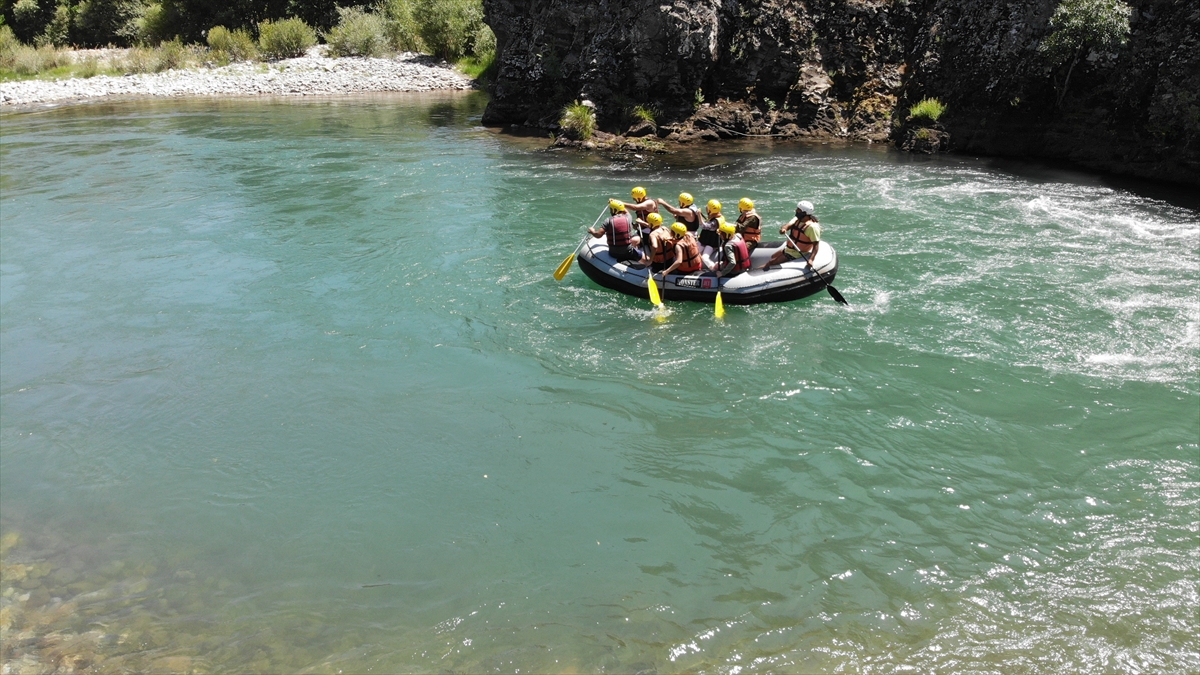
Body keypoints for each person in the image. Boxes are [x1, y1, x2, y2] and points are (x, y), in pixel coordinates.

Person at [761, 200, 822, 269]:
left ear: (804, 213)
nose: (796, 210)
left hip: (797, 254)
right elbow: (788, 225)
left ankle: (755, 272)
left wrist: (811, 259)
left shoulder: (812, 227)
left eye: (798, 210)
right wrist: (784, 229)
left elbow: (816, 246)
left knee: (771, 263)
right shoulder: (798, 219)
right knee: (773, 256)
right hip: (789, 250)